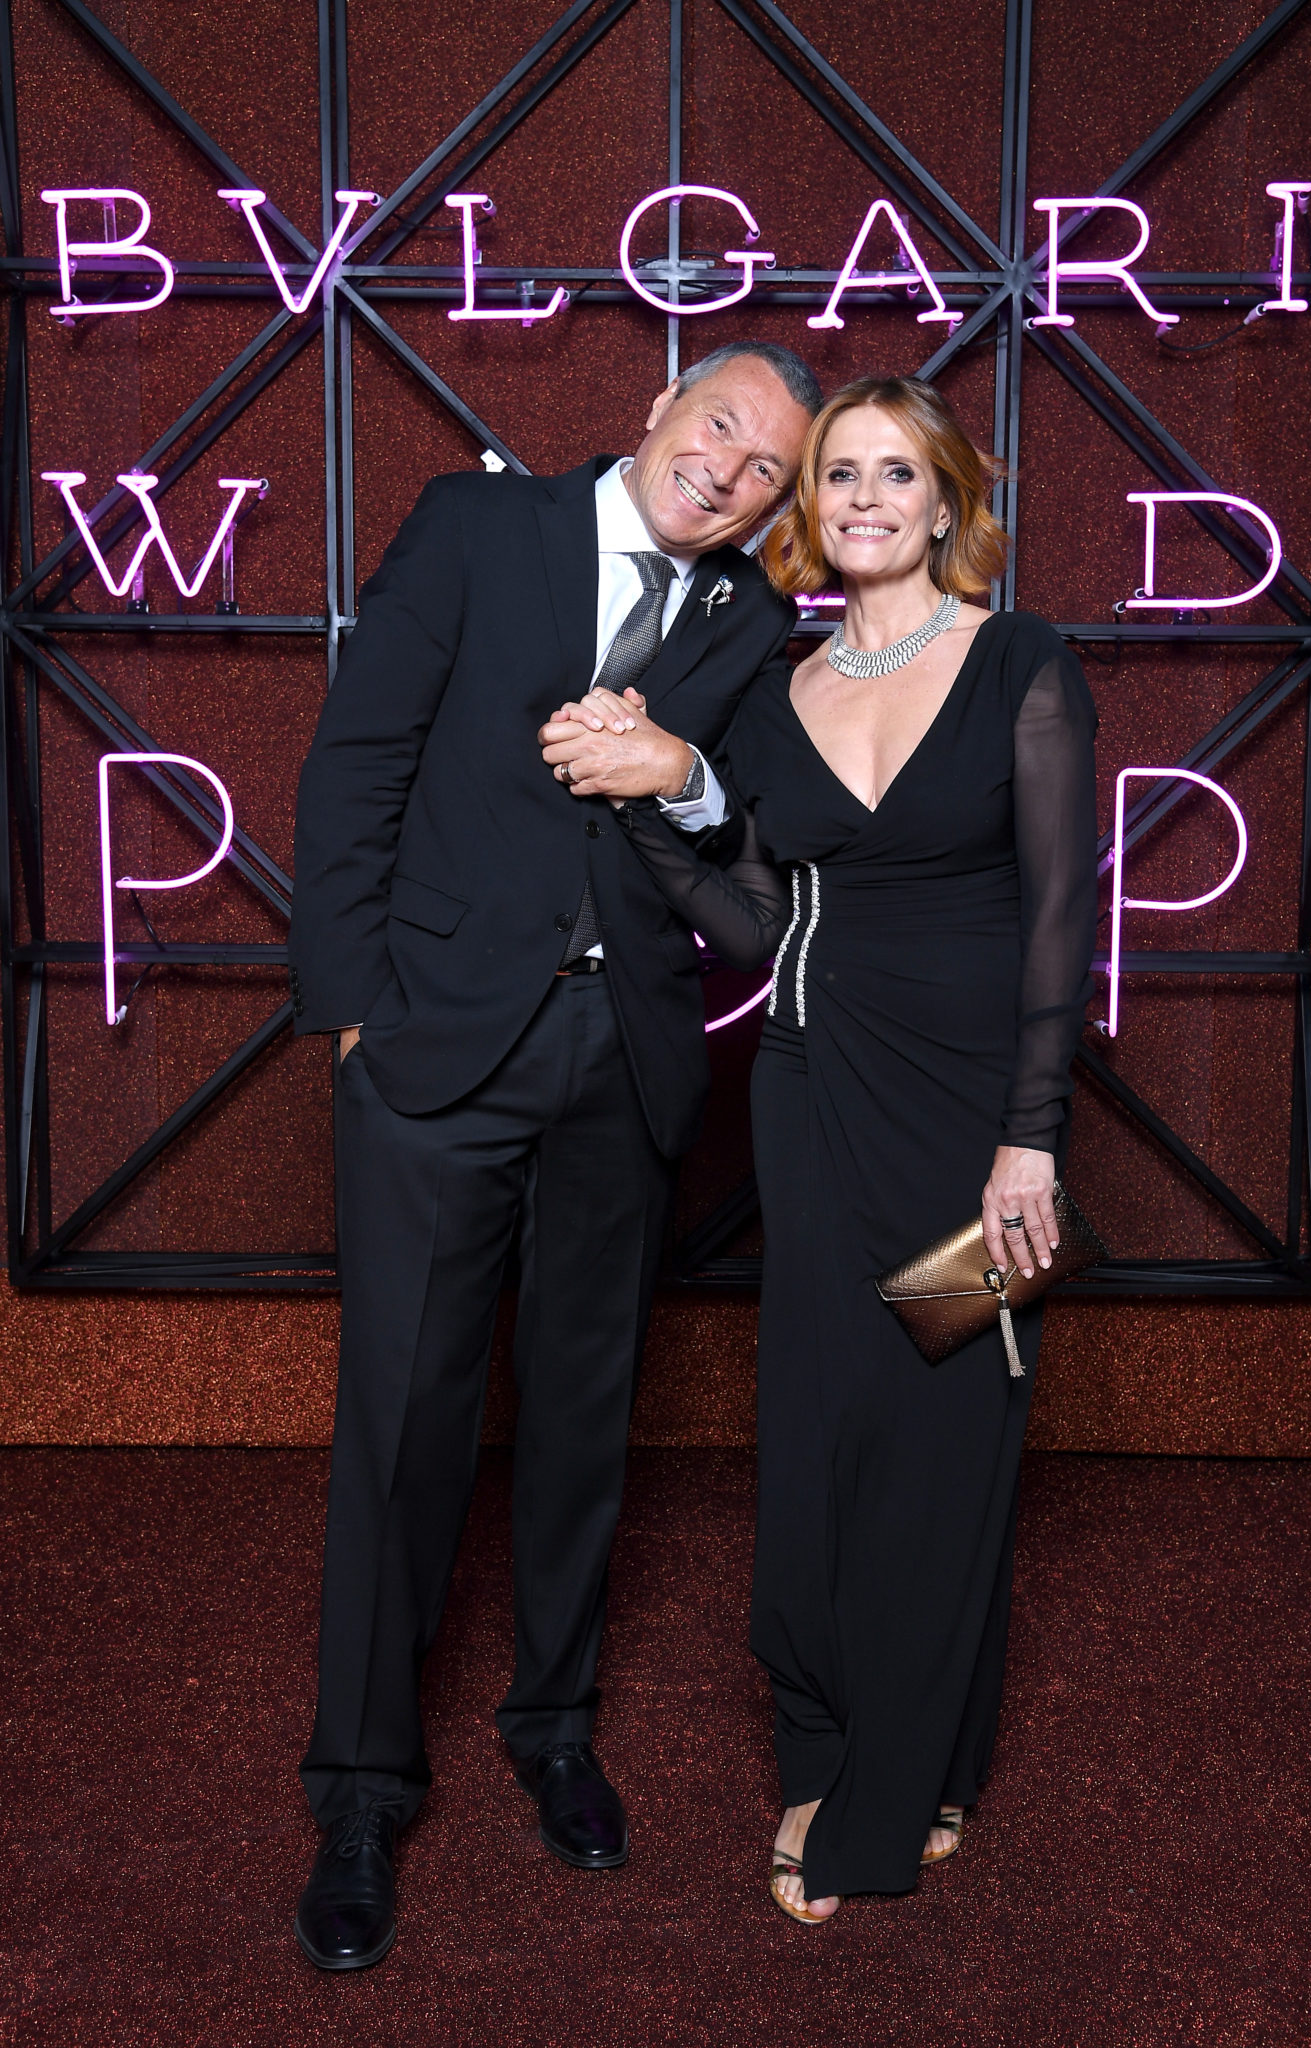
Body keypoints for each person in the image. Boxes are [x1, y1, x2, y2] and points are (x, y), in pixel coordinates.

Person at [286, 341, 821, 1969]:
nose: (727, 469)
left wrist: (687, 773)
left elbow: (761, 836)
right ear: (656, 408)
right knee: (404, 1426)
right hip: (435, 1046)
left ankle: (553, 1727)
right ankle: (362, 1788)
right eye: (717, 425)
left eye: (766, 468)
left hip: (625, 1062)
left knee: (584, 1423)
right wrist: (353, 1016)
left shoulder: (750, 620)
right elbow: (356, 764)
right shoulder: (475, 526)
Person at [539, 375, 1098, 1922]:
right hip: (809, 1095)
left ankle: (917, 1764)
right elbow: (754, 919)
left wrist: (1030, 1142)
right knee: (825, 1429)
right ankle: (824, 1738)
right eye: (838, 473)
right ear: (811, 507)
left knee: (949, 1433)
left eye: (894, 473)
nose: (862, 498)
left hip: (973, 1123)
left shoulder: (1020, 662)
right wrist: (647, 807)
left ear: (943, 500)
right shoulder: (774, 698)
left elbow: (1061, 916)